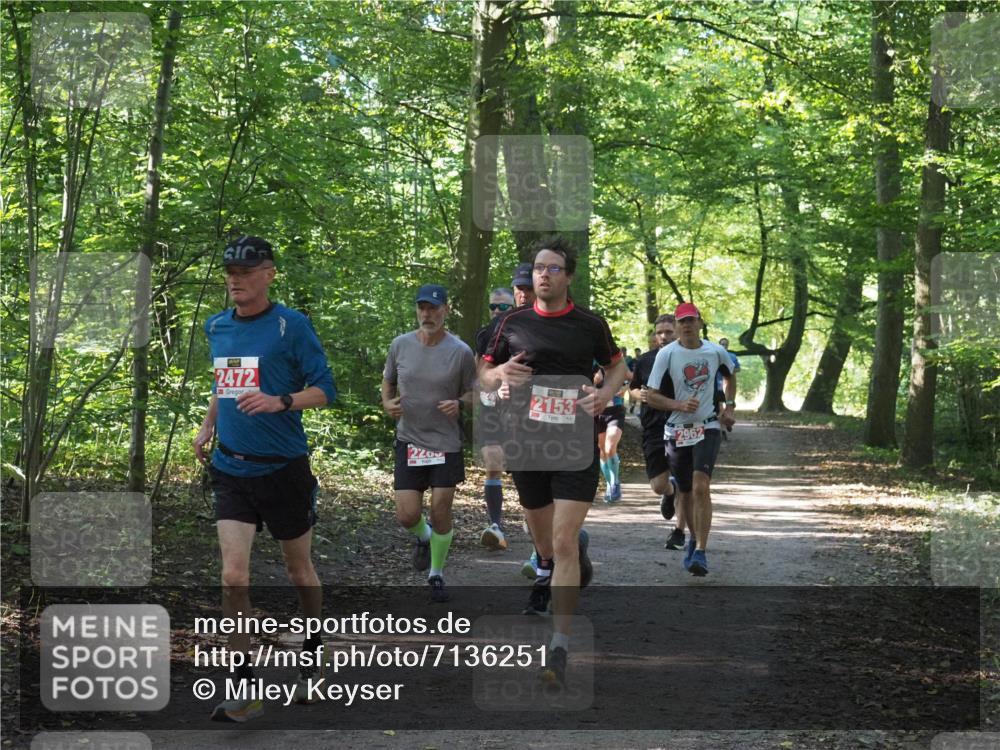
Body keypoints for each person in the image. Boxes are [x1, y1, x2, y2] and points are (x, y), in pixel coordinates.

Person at [193, 235, 337, 722]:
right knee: (234, 578)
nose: (235, 278)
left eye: (246, 271)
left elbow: (325, 389)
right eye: (230, 271)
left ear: (269, 273)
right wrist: (209, 422)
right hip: (232, 468)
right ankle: (243, 683)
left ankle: (312, 654)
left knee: (300, 572)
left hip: (283, 470)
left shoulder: (290, 326)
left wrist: (282, 401)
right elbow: (224, 380)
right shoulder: (218, 326)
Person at [480, 235, 626, 688]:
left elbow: (620, 367)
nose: (543, 274)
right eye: (539, 267)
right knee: (546, 547)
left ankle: (559, 647)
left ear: (568, 276)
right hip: (526, 445)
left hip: (574, 447)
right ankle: (568, 559)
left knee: (561, 542)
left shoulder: (589, 324)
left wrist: (606, 393)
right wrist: (498, 375)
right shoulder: (511, 324)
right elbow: (482, 373)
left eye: (553, 268)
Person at [381, 284, 476, 603]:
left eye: (434, 308)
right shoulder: (400, 345)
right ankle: (424, 539)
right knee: (406, 515)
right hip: (410, 439)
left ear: (445, 311)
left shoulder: (461, 351)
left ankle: (436, 574)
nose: (427, 314)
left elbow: (475, 392)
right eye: (422, 308)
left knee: (440, 509)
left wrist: (460, 404)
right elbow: (388, 379)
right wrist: (386, 402)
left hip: (445, 443)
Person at [646, 303, 736, 577]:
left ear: (699, 323)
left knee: (701, 485)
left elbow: (730, 375)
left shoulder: (715, 351)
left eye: (690, 320)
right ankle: (693, 541)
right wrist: (677, 404)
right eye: (681, 321)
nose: (686, 325)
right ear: (676, 325)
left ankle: (701, 550)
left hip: (707, 426)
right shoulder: (667, 354)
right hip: (676, 430)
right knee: (684, 491)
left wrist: (729, 407)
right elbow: (651, 395)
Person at [629, 313, 687, 550]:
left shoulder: (689, 358)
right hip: (653, 427)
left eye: (668, 332)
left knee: (687, 482)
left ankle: (679, 532)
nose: (663, 336)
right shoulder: (645, 360)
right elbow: (631, 389)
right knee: (658, 485)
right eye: (660, 332)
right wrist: (639, 395)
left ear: (677, 332)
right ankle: (669, 492)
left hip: (684, 425)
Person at [474, 287, 516, 550]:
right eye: (494, 307)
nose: (497, 312)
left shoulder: (524, 332)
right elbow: (479, 369)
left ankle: (534, 523)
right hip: (490, 406)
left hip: (521, 410)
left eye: (504, 307)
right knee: (492, 460)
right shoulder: (483, 334)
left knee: (527, 470)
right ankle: (496, 525)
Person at [594, 362, 628, 503]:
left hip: (615, 413)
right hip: (597, 414)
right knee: (602, 451)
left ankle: (615, 483)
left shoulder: (616, 365)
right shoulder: (589, 364)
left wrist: (625, 388)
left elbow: (633, 379)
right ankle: (609, 485)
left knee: (610, 447)